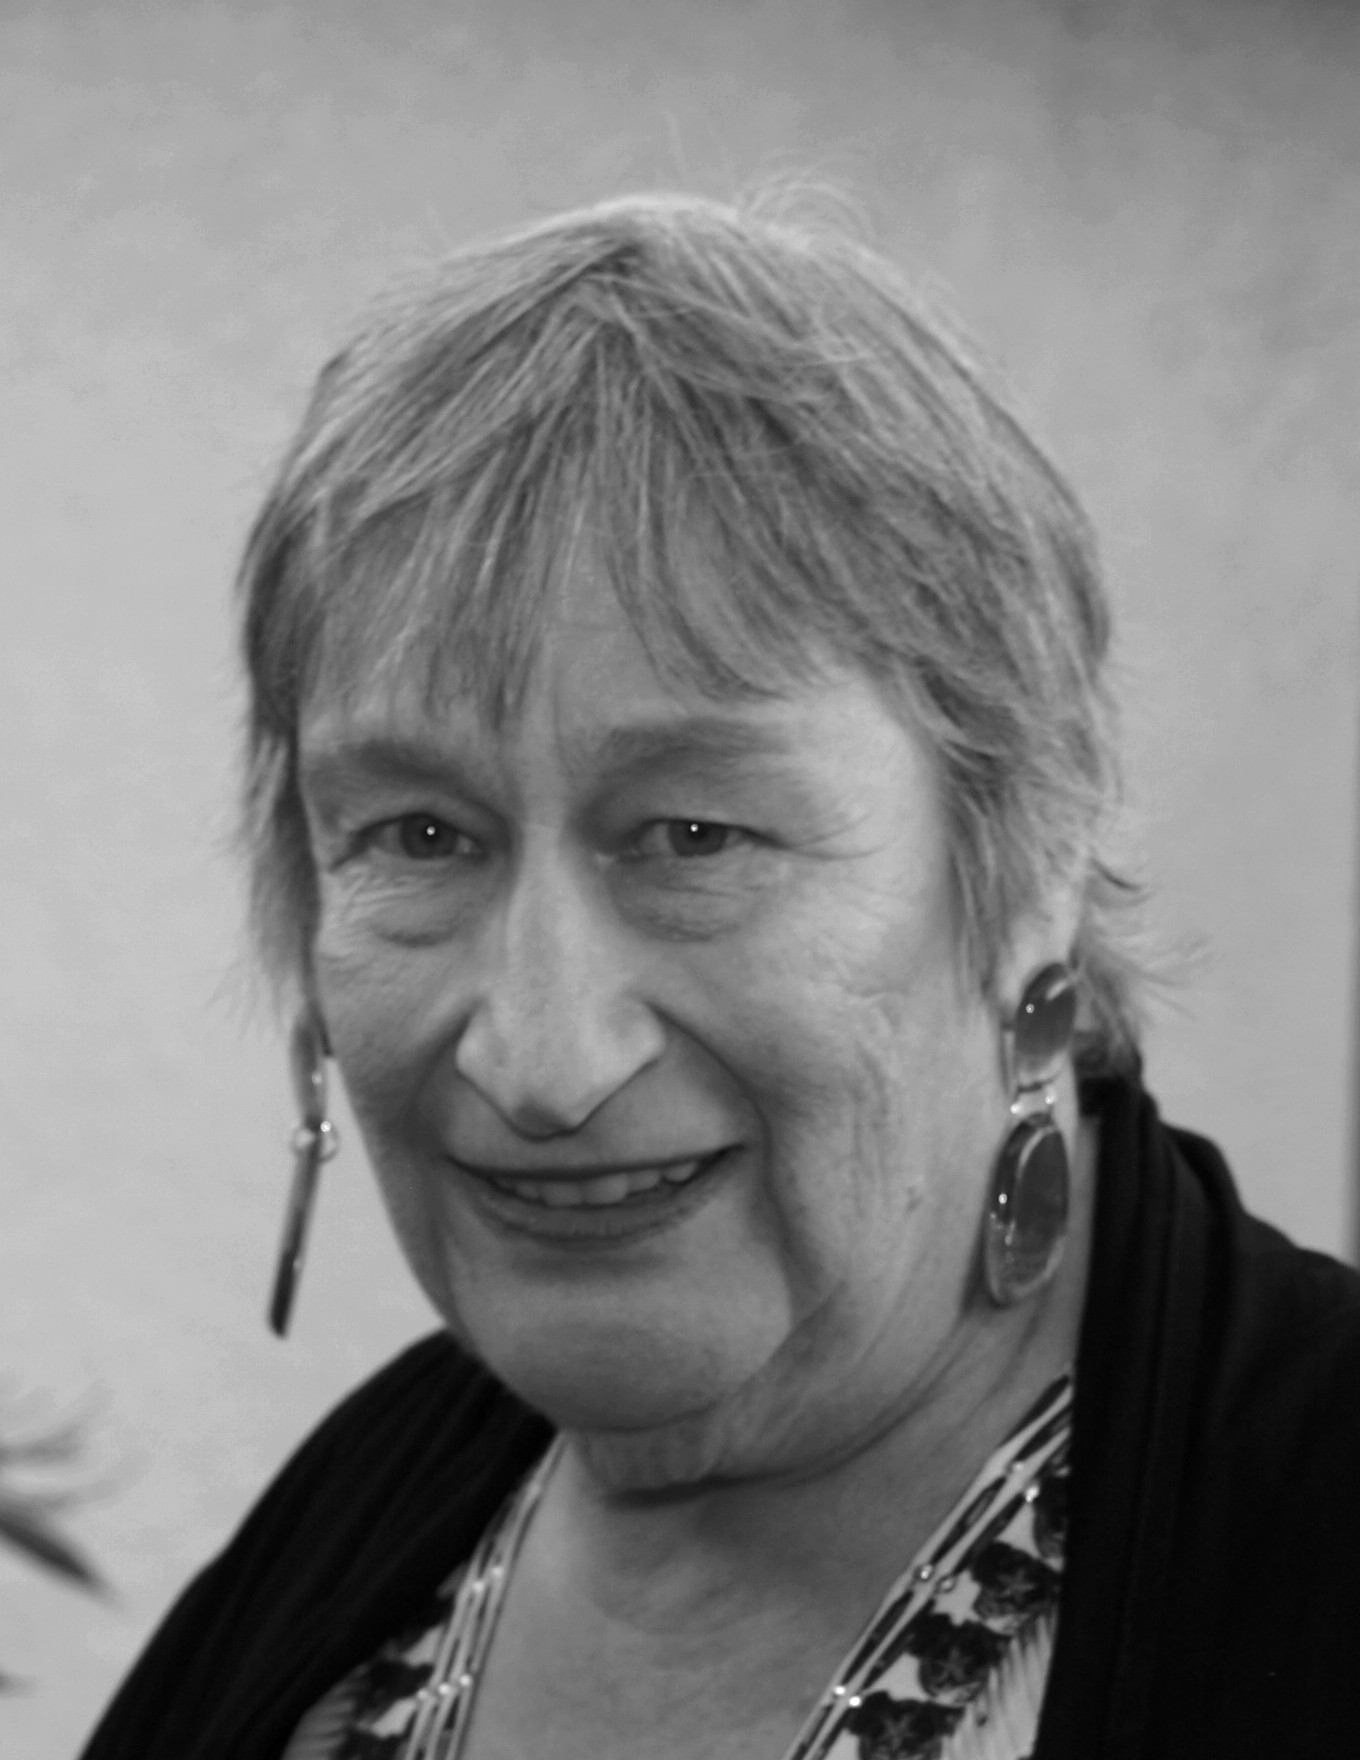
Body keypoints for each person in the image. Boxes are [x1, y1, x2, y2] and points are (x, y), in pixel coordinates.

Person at [80, 194, 1360, 1760]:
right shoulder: (343, 1537)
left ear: (1027, 853)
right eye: (421, 834)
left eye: (694, 835)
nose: (542, 1060)